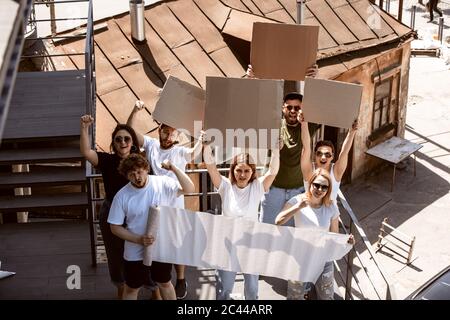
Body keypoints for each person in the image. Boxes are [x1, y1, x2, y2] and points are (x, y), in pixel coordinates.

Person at [127, 100, 203, 299]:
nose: (168, 136)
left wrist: (202, 139)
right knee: (156, 243)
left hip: (175, 203)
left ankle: (181, 278)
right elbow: (131, 133)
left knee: (176, 244)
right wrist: (135, 110)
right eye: (165, 132)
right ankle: (161, 284)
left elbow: (194, 153)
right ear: (159, 129)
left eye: (172, 133)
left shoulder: (179, 151)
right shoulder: (151, 145)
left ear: (177, 135)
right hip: (153, 203)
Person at [108, 153, 195, 300]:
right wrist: (138, 239)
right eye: (131, 174)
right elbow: (114, 227)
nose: (137, 177)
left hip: (161, 246)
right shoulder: (122, 195)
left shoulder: (163, 183)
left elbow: (189, 189)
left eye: (139, 171)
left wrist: (174, 168)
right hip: (135, 249)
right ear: (126, 176)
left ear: (146, 169)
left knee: (165, 283)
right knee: (131, 288)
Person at [203, 141, 280, 300]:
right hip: (227, 246)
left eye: (247, 170)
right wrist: (205, 147)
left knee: (252, 290)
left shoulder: (257, 187)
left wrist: (276, 150)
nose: (242, 175)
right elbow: (211, 167)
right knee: (224, 289)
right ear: (233, 170)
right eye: (239, 170)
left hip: (251, 246)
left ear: (253, 172)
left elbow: (273, 171)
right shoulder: (225, 185)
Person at [246, 65, 320, 227]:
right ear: (283, 108)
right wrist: (252, 80)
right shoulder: (272, 124)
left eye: (297, 107)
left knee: (290, 235)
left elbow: (320, 106)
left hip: (298, 191)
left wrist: (313, 81)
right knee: (267, 229)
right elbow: (255, 107)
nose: (293, 110)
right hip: (273, 190)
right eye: (289, 107)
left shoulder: (308, 126)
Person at [80, 115, 141, 299]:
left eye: (126, 138)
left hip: (137, 213)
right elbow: (86, 152)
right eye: (118, 139)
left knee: (143, 250)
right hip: (112, 213)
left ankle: (152, 287)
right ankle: (121, 288)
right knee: (115, 255)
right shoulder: (107, 160)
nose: (122, 142)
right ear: (113, 144)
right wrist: (84, 128)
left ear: (132, 142)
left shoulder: (141, 162)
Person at [275, 168, 354, 300]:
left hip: (323, 258)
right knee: (296, 297)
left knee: (326, 297)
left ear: (328, 190)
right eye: (316, 185)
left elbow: (334, 235)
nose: (319, 189)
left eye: (324, 187)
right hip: (299, 258)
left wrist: (347, 241)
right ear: (310, 183)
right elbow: (278, 221)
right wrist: (298, 207)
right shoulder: (297, 200)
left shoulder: (331, 206)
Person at [300, 116, 358, 205]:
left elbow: (344, 152)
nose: (323, 157)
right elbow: (306, 147)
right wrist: (304, 123)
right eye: (319, 154)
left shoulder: (336, 171)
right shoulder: (309, 170)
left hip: (329, 216)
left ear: (332, 157)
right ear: (314, 155)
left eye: (327, 155)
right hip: (311, 213)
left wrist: (352, 132)